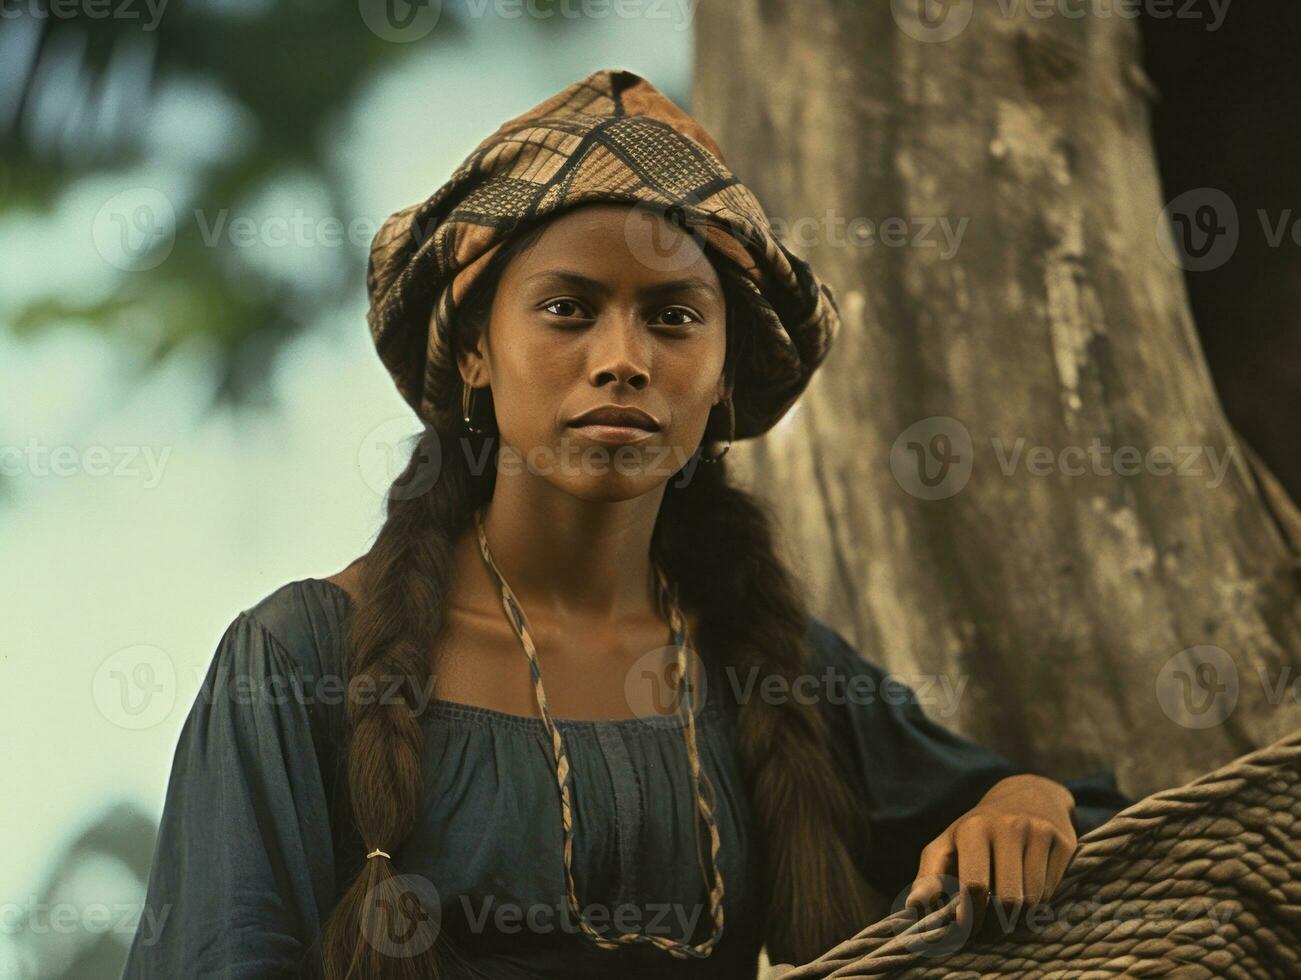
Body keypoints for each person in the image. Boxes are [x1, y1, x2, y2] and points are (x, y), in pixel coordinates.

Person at [119, 68, 1132, 980]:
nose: (622, 358)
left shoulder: (761, 662)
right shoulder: (295, 662)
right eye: (567, 309)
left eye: (671, 316)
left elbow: (1050, 814)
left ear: (724, 374)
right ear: (474, 350)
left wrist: (1027, 801)